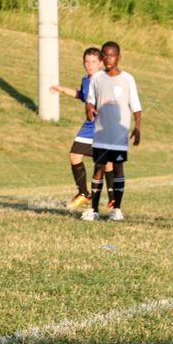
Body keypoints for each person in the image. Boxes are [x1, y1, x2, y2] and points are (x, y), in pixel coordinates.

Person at [82, 41, 141, 222]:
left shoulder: (127, 79)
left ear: (118, 57)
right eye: (105, 55)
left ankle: (116, 209)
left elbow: (135, 105)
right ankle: (94, 210)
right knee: (98, 168)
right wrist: (89, 108)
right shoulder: (97, 78)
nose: (109, 59)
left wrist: (137, 127)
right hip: (101, 132)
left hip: (118, 134)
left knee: (117, 168)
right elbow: (90, 100)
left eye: (112, 55)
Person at [51, 47, 115, 209]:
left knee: (107, 163)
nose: (89, 65)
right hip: (89, 126)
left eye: (93, 61)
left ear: (101, 63)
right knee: (74, 156)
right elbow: (82, 95)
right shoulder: (86, 80)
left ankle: (113, 199)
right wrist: (62, 89)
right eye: (86, 61)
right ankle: (83, 193)